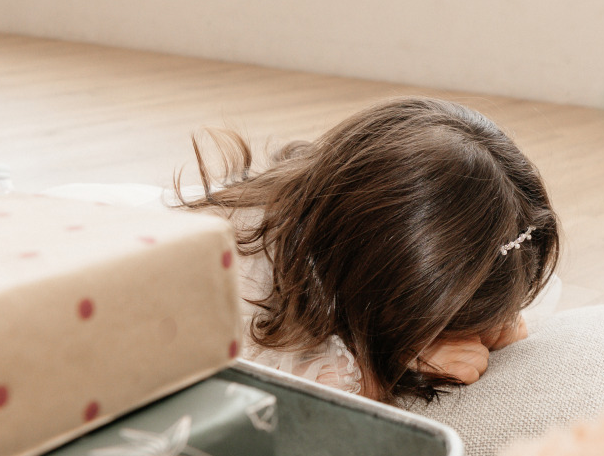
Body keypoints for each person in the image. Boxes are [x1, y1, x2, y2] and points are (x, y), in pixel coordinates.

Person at [180, 97, 559, 402]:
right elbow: (293, 411)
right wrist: (402, 366)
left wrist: (487, 320)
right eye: (444, 326)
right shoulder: (247, 299)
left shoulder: (344, 225)